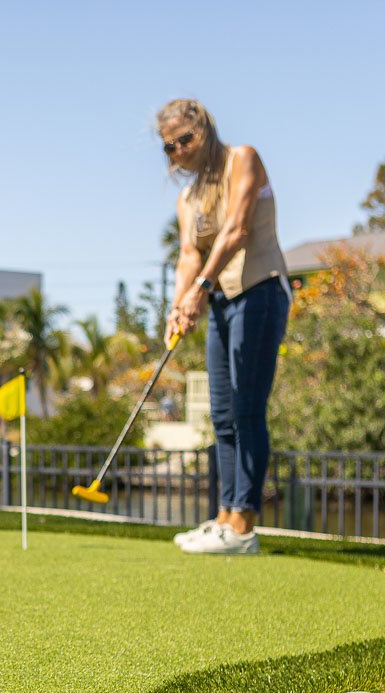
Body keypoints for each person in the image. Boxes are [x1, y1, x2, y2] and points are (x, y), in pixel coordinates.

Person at [159, 99, 291, 555]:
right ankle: (222, 519)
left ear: (205, 131)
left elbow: (236, 230)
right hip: (219, 302)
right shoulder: (188, 197)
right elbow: (188, 255)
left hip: (260, 291)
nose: (177, 150)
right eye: (168, 147)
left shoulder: (243, 159)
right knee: (221, 413)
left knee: (247, 408)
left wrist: (198, 289)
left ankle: (243, 525)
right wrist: (178, 307)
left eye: (184, 140)